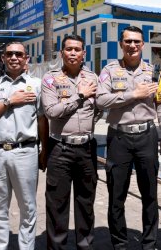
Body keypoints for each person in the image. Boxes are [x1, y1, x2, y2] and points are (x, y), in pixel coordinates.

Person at [96, 26, 161, 250]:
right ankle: (120, 244)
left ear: (143, 45)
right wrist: (133, 94)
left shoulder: (154, 71)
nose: (132, 45)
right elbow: (101, 100)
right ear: (121, 45)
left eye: (136, 42)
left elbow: (160, 103)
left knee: (150, 194)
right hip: (119, 138)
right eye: (128, 41)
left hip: (147, 137)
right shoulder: (109, 70)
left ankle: (149, 243)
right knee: (116, 196)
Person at [0, 42, 45, 250]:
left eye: (18, 54)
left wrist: (44, 152)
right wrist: (9, 101)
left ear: (26, 59)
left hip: (26, 153)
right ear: (3, 58)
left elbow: (43, 121)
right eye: (9, 54)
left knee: (28, 209)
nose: (14, 57)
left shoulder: (37, 85)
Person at [41, 34, 100, 250]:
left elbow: (98, 110)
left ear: (84, 53)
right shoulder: (50, 79)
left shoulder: (93, 77)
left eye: (77, 49)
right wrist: (80, 96)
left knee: (86, 204)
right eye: (69, 49)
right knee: (57, 205)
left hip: (86, 148)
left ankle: (85, 246)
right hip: (60, 149)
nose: (73, 53)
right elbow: (51, 112)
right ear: (62, 53)